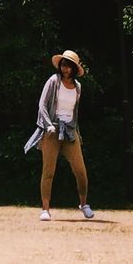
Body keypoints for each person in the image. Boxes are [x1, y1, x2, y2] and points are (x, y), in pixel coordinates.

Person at [23, 49, 95, 221]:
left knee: (81, 171)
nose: (65, 69)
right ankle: (45, 209)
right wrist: (48, 125)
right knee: (48, 171)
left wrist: (76, 131)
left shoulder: (78, 87)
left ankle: (84, 204)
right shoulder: (53, 81)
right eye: (63, 65)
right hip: (52, 129)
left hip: (69, 130)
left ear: (74, 69)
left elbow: (74, 112)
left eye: (68, 66)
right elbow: (42, 104)